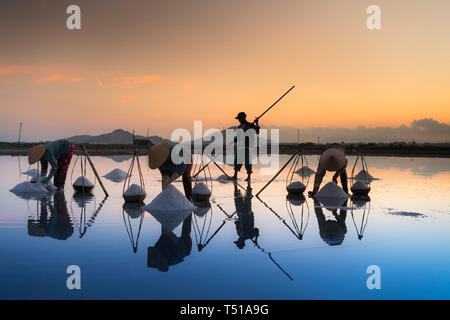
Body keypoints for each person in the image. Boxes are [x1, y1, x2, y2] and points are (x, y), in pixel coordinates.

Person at [232, 112, 260, 182]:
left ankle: (249, 177)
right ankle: (235, 175)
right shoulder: (239, 127)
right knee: (237, 160)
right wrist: (235, 139)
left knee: (247, 161)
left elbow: (257, 131)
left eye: (240, 118)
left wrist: (256, 123)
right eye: (238, 119)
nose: (239, 120)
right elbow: (237, 138)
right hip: (240, 146)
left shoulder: (250, 125)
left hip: (248, 146)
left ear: (243, 118)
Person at [233, 184, 259, 249]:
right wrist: (256, 239)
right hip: (246, 212)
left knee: (239, 196)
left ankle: (236, 184)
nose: (238, 239)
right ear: (240, 241)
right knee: (246, 196)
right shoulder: (249, 236)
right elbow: (256, 229)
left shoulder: (241, 234)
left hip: (242, 212)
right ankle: (248, 179)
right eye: (238, 241)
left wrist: (256, 238)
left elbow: (237, 223)